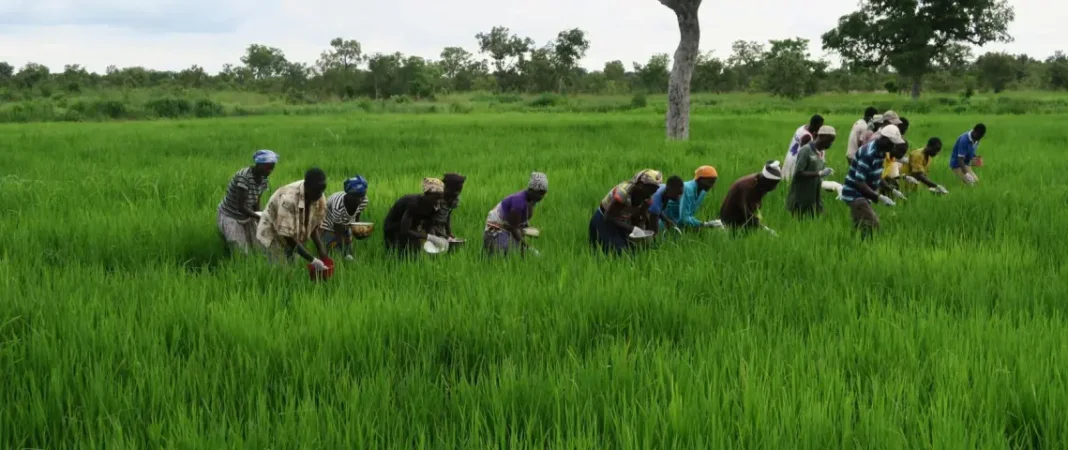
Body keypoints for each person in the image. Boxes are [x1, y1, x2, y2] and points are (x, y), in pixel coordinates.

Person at [255, 167, 330, 271]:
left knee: (293, 268)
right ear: (307, 186)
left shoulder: (318, 195)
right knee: (280, 272)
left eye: (322, 190)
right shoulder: (289, 199)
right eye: (317, 191)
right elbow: (288, 237)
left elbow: (313, 226)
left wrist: (322, 251)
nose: (320, 194)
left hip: (293, 234)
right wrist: (313, 260)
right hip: (272, 234)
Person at [840, 125, 907, 238]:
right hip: (855, 194)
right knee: (872, 225)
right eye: (891, 143)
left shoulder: (881, 152)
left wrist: (891, 190)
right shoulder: (868, 153)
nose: (893, 146)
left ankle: (852, 246)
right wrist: (879, 197)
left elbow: (876, 175)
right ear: (884, 139)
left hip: (864, 195)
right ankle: (862, 247)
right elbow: (859, 182)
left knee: (862, 227)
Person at [589, 169, 663, 254]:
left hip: (621, 222)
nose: (653, 192)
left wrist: (641, 231)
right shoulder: (623, 193)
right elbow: (608, 217)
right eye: (651, 189)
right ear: (640, 185)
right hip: (603, 221)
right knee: (618, 252)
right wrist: (632, 228)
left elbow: (640, 216)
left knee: (633, 250)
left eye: (656, 189)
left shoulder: (647, 199)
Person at [217, 149, 276, 254]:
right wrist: (258, 216)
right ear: (258, 164)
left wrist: (260, 216)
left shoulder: (263, 178)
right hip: (231, 215)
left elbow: (256, 200)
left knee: (257, 247)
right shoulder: (244, 177)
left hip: (246, 214)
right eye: (267, 168)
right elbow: (241, 206)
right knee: (240, 251)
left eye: (272, 168)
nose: (269, 171)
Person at [483, 172, 548, 256]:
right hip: (495, 231)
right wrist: (528, 247)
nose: (542, 196)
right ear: (532, 190)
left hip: (507, 228)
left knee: (519, 251)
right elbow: (513, 227)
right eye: (541, 193)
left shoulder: (531, 201)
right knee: (509, 253)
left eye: (544, 193)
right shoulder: (518, 203)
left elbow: (521, 223)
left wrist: (529, 230)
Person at [382, 178, 447, 257]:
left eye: (441, 198)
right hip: (394, 227)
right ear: (426, 194)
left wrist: (438, 238)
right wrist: (428, 236)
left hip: (411, 226)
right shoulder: (414, 204)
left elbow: (429, 225)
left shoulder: (435, 206)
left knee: (415, 252)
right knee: (397, 253)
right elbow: (405, 230)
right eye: (436, 198)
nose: (438, 201)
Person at [719, 161, 782, 235]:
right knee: (737, 235)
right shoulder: (747, 187)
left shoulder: (760, 183)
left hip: (742, 215)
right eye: (774, 184)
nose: (774, 187)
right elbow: (747, 213)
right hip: (732, 216)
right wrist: (765, 229)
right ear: (768, 181)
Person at [786, 126, 836, 218]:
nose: (830, 144)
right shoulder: (806, 150)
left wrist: (826, 185)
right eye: (829, 141)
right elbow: (798, 173)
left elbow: (817, 176)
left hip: (814, 198)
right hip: (801, 197)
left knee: (817, 222)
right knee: (799, 224)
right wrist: (819, 173)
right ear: (821, 137)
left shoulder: (821, 153)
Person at [319, 175, 370, 261]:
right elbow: (337, 229)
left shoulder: (364, 201)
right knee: (336, 252)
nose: (360, 200)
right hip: (329, 226)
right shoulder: (338, 206)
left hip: (346, 224)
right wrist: (343, 249)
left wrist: (357, 229)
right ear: (348, 194)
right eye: (356, 196)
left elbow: (357, 213)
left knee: (349, 251)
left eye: (362, 195)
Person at [662, 165, 720, 230]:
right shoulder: (688, 190)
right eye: (710, 182)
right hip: (665, 220)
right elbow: (684, 218)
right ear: (700, 179)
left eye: (714, 182)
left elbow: (689, 214)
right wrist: (704, 224)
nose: (712, 186)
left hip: (677, 223)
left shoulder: (702, 192)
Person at [783, 115, 824, 181]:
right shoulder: (807, 137)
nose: (821, 128)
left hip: (790, 156)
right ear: (816, 125)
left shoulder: (802, 127)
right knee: (792, 181)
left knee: (786, 179)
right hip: (795, 160)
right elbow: (805, 152)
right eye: (820, 126)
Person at [429, 173, 465, 239]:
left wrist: (449, 232)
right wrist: (440, 235)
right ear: (447, 187)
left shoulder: (454, 199)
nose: (457, 193)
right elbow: (428, 221)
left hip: (441, 226)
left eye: (459, 190)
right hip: (428, 228)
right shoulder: (436, 199)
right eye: (456, 190)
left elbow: (448, 215)